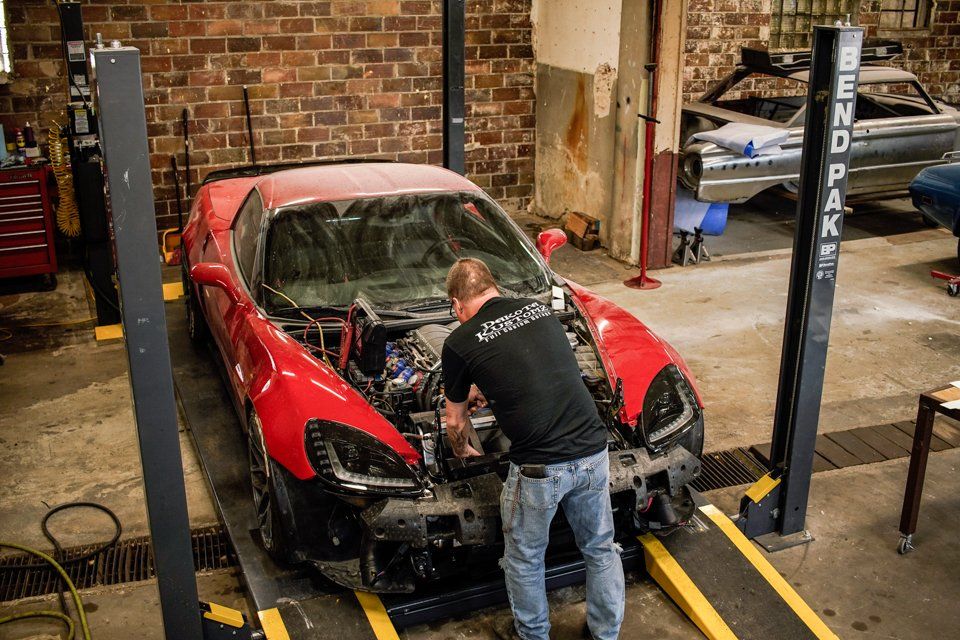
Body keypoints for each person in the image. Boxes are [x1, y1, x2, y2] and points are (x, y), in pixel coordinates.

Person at [441, 258, 624, 640]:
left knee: (524, 561)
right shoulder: (539, 310)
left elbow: (455, 421)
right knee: (601, 548)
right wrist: (491, 391)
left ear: (457, 305)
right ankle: (606, 634)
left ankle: (533, 634)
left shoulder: (459, 340)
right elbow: (540, 372)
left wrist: (462, 453)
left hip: (539, 470)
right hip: (593, 451)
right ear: (494, 287)